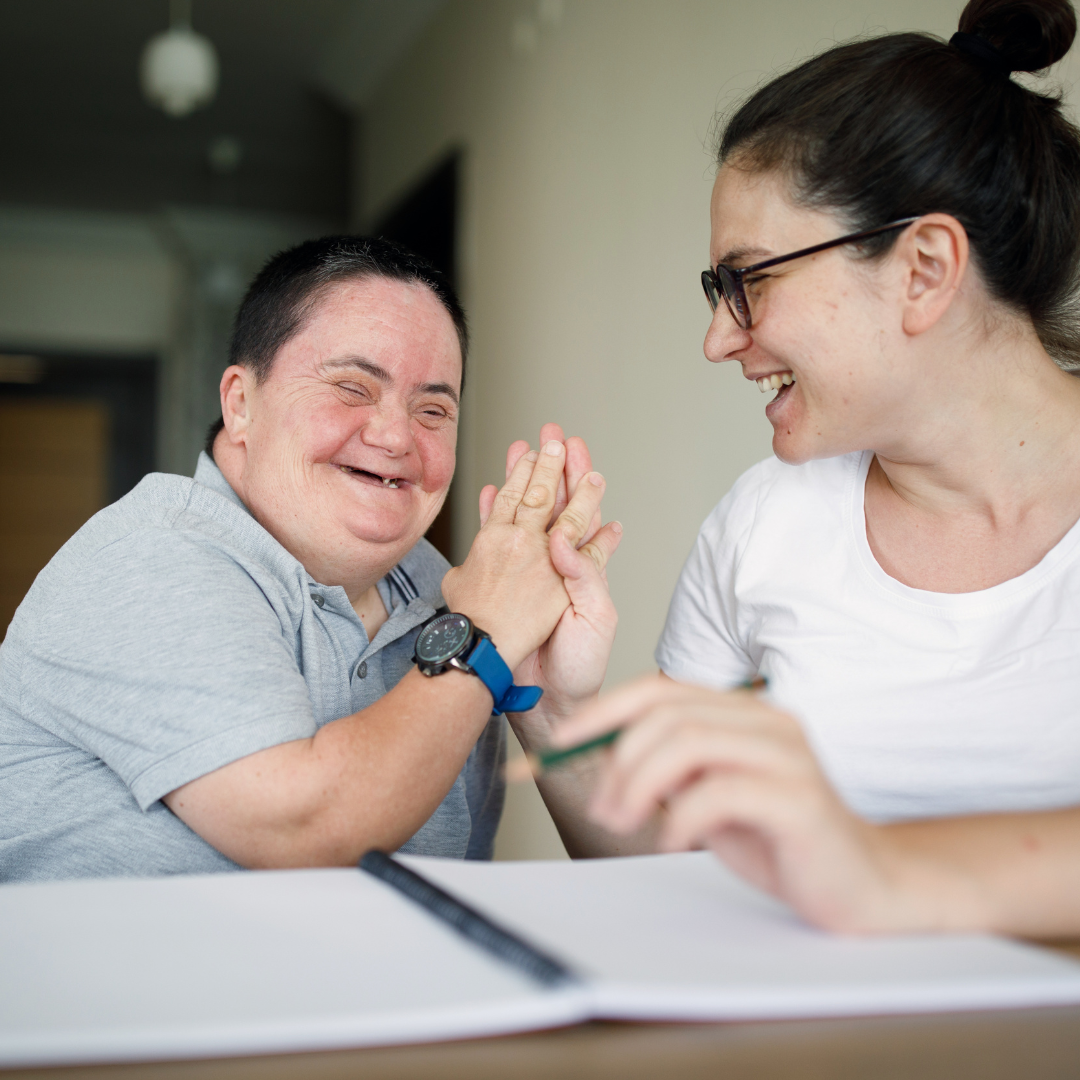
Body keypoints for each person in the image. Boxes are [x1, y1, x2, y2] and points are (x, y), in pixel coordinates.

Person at [554, 0, 1080, 936]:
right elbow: (677, 871)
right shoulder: (762, 523)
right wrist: (552, 701)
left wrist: (880, 872)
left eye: (749, 281)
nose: (719, 340)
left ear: (924, 268)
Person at [0, 236, 621, 881]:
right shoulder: (149, 556)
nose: (396, 436)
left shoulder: (451, 596)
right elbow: (305, 830)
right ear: (241, 404)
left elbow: (626, 888)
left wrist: (551, 710)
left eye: (433, 409)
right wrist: (483, 636)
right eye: (352, 387)